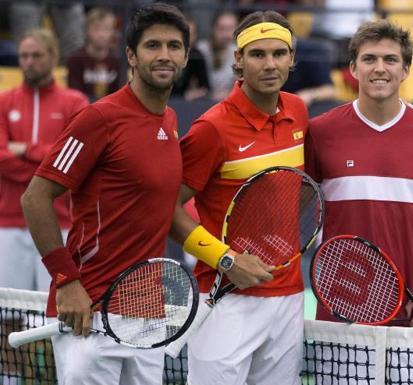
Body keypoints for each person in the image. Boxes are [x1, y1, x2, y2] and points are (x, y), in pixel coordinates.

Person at [20, 3, 188, 384]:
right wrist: (66, 281)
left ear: (185, 55)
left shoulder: (171, 120)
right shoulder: (97, 119)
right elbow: (35, 197)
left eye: (174, 46)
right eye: (153, 46)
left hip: (148, 315)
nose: (164, 55)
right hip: (90, 312)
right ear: (131, 55)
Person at [304, 19, 413, 383]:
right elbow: (296, 210)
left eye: (391, 60)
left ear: (406, 70)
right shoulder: (320, 131)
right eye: (370, 59)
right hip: (340, 315)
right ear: (352, 68)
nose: (379, 68)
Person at [168, 10, 308, 385]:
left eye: (279, 53)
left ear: (292, 59)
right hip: (226, 298)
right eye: (257, 54)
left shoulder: (298, 111)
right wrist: (226, 260)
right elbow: (166, 209)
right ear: (238, 61)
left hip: (289, 298)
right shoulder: (211, 129)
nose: (269, 64)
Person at [0, 28, 88, 385]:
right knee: (7, 312)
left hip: (61, 224)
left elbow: (73, 161)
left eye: (36, 55)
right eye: (23, 56)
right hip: (8, 223)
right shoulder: (4, 101)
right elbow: (3, 158)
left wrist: (26, 151)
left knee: (58, 315)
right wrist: (46, 162)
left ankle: (55, 379)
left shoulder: (75, 104)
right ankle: (11, 379)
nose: (28, 63)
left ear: (54, 57)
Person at [67, 7, 121, 100]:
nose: (101, 34)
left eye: (107, 29)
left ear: (113, 32)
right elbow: (74, 95)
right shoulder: (76, 58)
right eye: (96, 29)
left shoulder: (118, 59)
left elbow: (120, 94)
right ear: (87, 31)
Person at [196, 11, 239, 101]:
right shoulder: (200, 50)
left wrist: (228, 93)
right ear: (213, 29)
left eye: (230, 29)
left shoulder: (238, 53)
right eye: (221, 28)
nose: (225, 34)